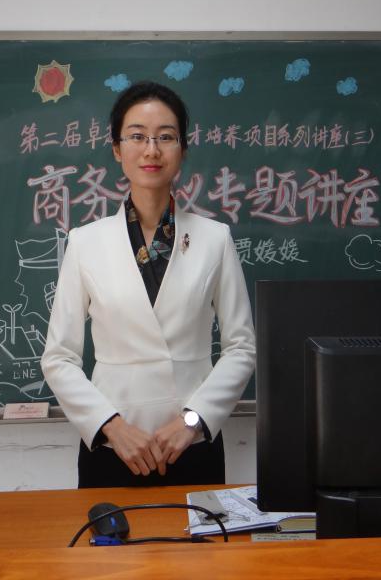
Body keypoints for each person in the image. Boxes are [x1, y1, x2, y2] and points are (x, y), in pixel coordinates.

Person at [41, 81, 256, 488]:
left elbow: (241, 347)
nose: (151, 150)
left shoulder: (215, 239)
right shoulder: (85, 242)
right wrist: (111, 425)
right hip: (113, 448)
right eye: (137, 136)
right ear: (117, 149)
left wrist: (193, 421)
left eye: (166, 137)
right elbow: (59, 357)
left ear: (183, 149)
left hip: (193, 446)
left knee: (200, 534)